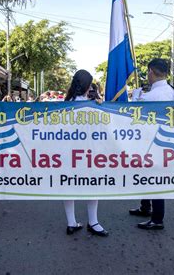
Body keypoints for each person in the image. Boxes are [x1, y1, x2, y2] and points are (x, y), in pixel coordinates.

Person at [129, 58, 174, 230]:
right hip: (167, 139)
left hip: (152, 142)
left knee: (154, 178)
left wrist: (136, 97)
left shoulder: (151, 96)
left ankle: (157, 219)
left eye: (148, 72)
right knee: (149, 176)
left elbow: (133, 115)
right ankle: (146, 207)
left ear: (151, 71)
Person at [62, 69, 108, 237]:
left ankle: (71, 222)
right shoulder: (93, 106)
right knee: (92, 185)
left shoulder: (65, 103)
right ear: (88, 86)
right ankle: (93, 222)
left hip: (68, 152)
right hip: (89, 152)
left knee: (68, 186)